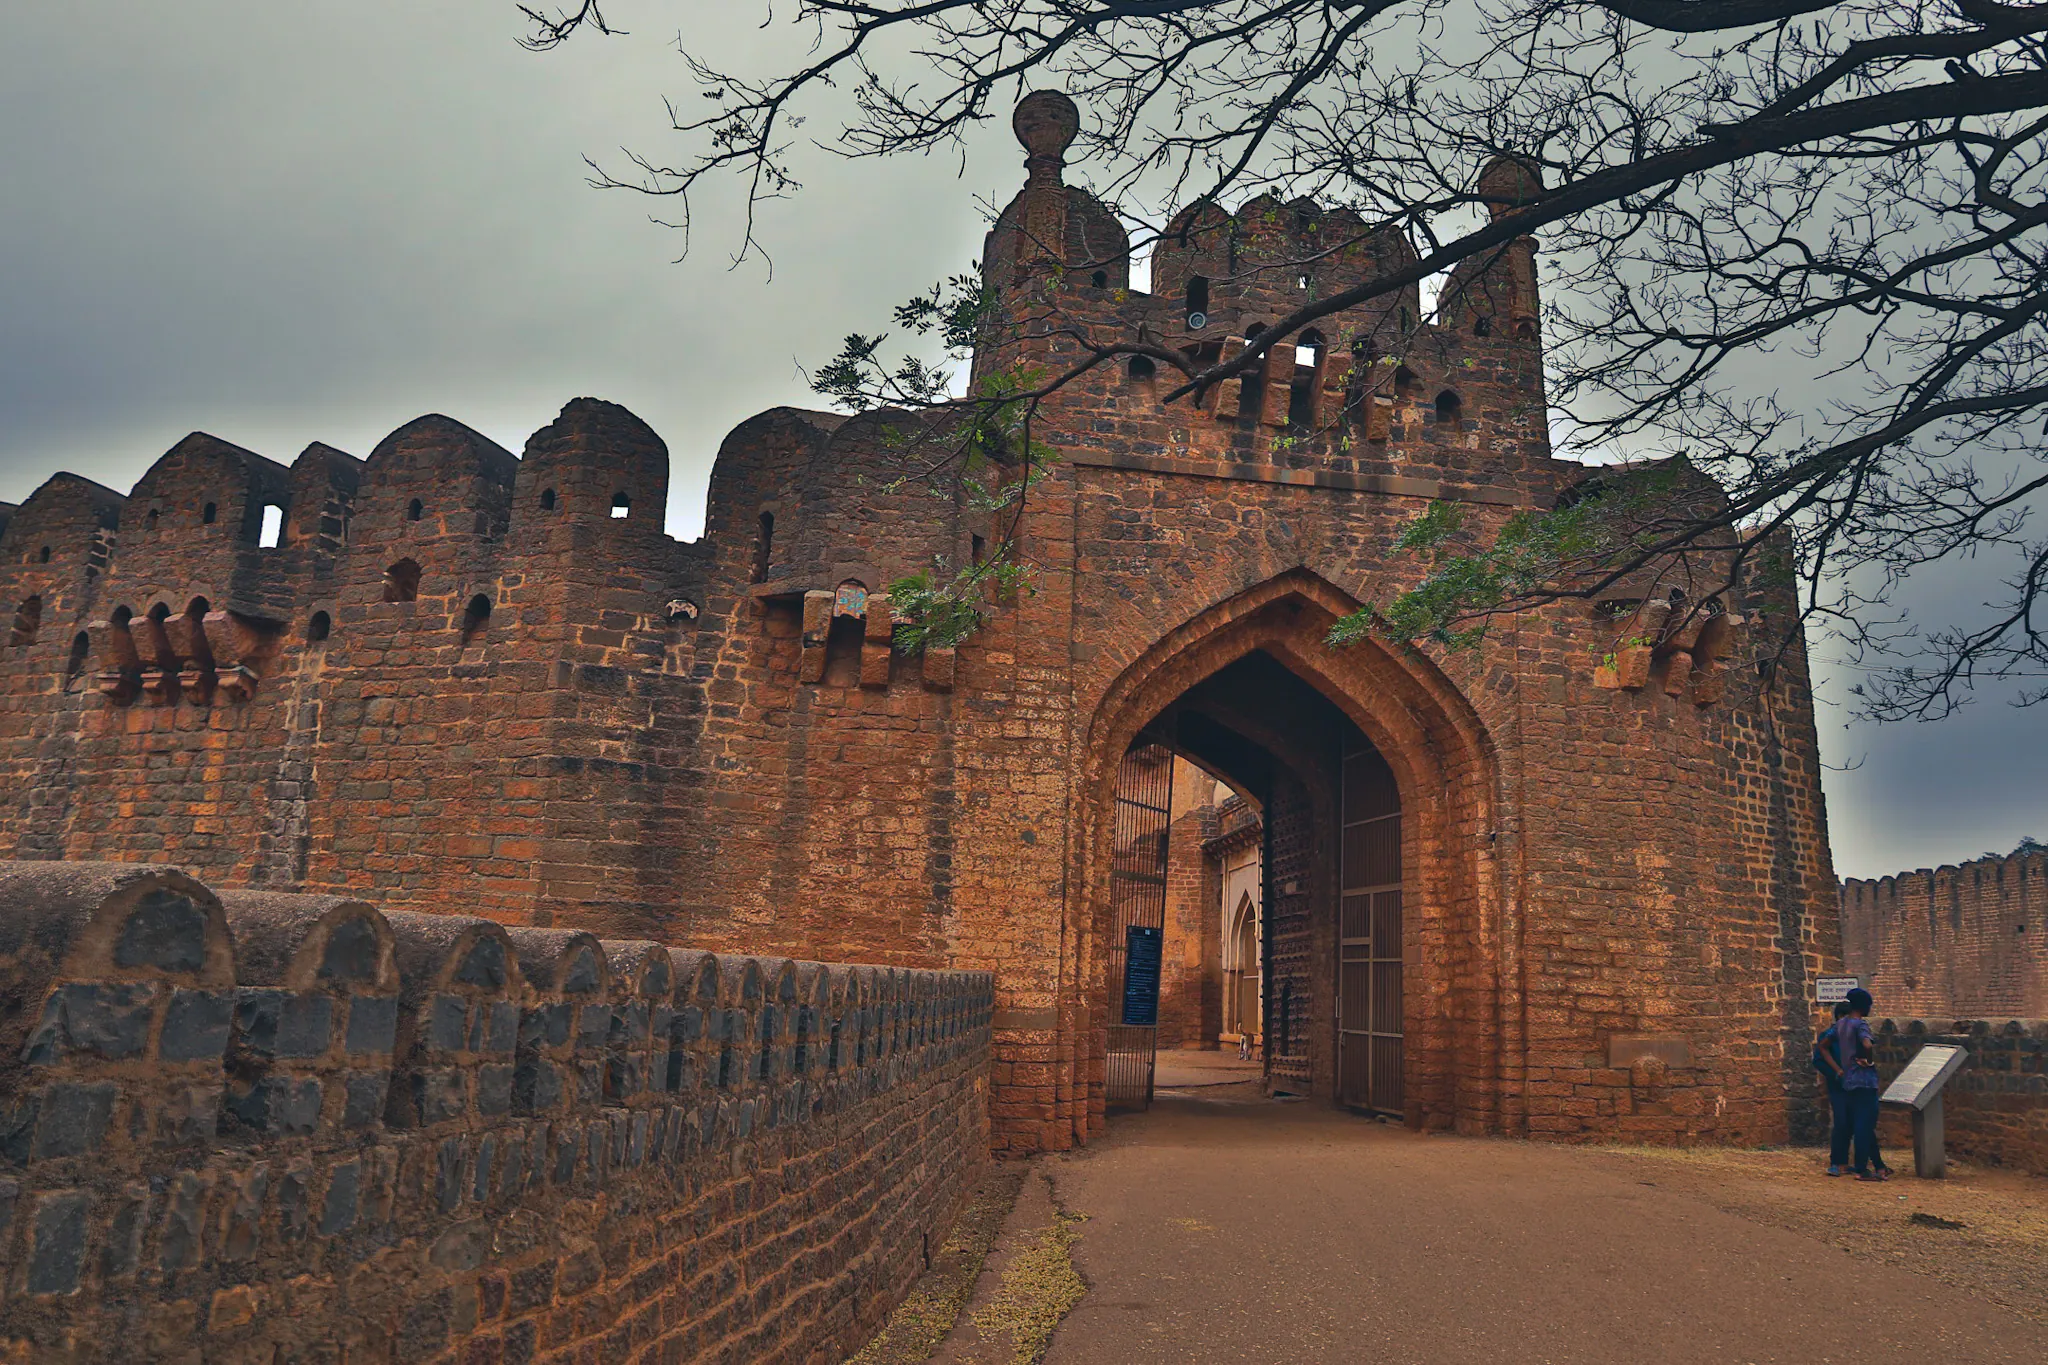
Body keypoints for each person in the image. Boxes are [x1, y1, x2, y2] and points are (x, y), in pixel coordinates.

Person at [1835, 987, 1891, 1181]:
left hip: (1848, 1081)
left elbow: (1825, 1044)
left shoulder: (1841, 1024)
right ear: (1863, 1006)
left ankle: (1879, 1166)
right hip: (1864, 1081)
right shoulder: (1860, 1025)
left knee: (1861, 1125)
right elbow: (1867, 1044)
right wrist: (1869, 1060)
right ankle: (1861, 1169)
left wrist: (1841, 1066)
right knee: (1864, 1126)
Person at [1813, 1000, 1852, 1175]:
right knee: (1841, 1121)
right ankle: (1837, 1161)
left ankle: (1848, 1162)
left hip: (1855, 1085)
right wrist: (1836, 1074)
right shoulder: (1828, 1036)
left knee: (1853, 1123)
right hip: (1838, 1086)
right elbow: (1818, 1061)